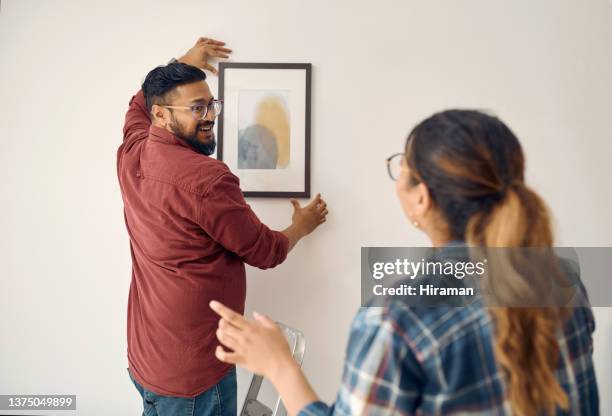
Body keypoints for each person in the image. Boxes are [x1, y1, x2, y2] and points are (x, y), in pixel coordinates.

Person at [210, 110, 599, 415]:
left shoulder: (398, 318)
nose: (397, 178)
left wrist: (279, 366)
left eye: (402, 168)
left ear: (422, 198)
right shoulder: (563, 278)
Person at [117, 37, 328, 416]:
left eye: (212, 103)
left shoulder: (132, 150)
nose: (211, 115)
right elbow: (267, 252)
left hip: (146, 359)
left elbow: (138, 102)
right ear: (161, 115)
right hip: (193, 377)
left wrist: (184, 60)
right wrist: (302, 225)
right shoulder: (208, 180)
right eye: (197, 107)